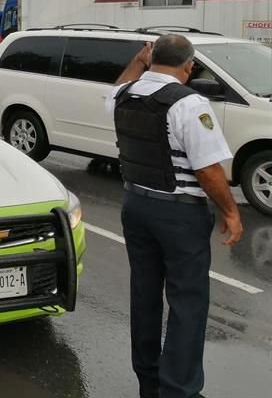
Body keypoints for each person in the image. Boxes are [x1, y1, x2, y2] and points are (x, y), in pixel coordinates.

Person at [107, 35, 242, 398]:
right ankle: (179, 390)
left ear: (151, 59)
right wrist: (230, 211)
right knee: (187, 302)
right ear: (189, 66)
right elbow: (208, 169)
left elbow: (118, 86)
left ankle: (149, 383)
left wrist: (138, 61)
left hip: (135, 206)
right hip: (179, 214)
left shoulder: (124, 95)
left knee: (145, 296)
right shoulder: (188, 102)